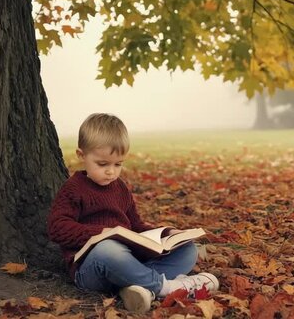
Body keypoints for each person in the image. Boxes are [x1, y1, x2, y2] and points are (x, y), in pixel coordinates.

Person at [47, 113, 219, 313]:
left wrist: (165, 235)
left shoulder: (119, 188)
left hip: (129, 261)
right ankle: (167, 288)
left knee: (188, 250)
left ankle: (138, 288)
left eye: (118, 164)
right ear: (81, 155)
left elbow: (136, 226)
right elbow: (56, 228)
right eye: (102, 164)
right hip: (91, 269)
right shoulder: (73, 188)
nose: (111, 172)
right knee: (108, 249)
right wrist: (102, 234)